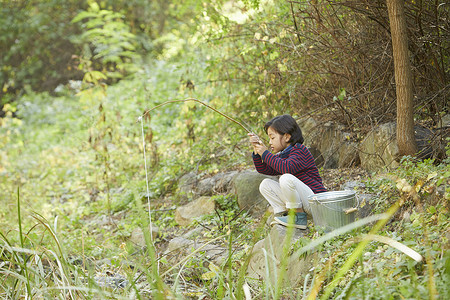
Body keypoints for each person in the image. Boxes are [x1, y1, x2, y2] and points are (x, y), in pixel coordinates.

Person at [248, 114, 326, 229]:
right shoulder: (284, 154)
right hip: (303, 202)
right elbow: (263, 168)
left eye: (272, 138)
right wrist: (257, 152)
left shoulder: (300, 150)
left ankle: (298, 217)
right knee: (265, 184)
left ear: (287, 137)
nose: (270, 142)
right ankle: (282, 214)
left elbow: (286, 168)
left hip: (316, 203)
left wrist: (265, 153)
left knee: (285, 178)